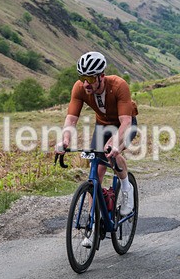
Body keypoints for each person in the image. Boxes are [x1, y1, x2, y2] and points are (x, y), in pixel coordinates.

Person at [58, 51, 138, 244]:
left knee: (112, 153)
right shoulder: (80, 88)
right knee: (97, 172)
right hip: (103, 125)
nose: (86, 83)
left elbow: (125, 122)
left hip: (125, 124)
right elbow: (71, 118)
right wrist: (65, 140)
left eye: (90, 78)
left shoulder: (119, 85)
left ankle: (127, 191)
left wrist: (116, 143)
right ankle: (93, 227)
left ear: (101, 76)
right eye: (82, 77)